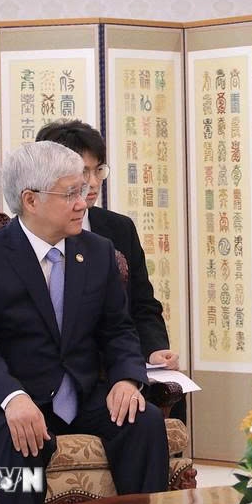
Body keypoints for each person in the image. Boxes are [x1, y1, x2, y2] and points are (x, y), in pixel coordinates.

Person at [0, 141, 169, 504]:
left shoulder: (98, 252)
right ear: (30, 200)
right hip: (11, 395)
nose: (83, 203)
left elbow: (118, 330)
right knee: (18, 433)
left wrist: (126, 380)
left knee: (144, 420)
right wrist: (12, 397)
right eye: (70, 193)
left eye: (83, 190)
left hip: (79, 394)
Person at [35, 120, 185, 424]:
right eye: (81, 172)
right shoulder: (22, 240)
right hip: (53, 376)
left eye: (97, 170)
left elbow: (143, 305)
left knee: (167, 400)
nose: (91, 182)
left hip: (116, 364)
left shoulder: (118, 230)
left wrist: (154, 351)